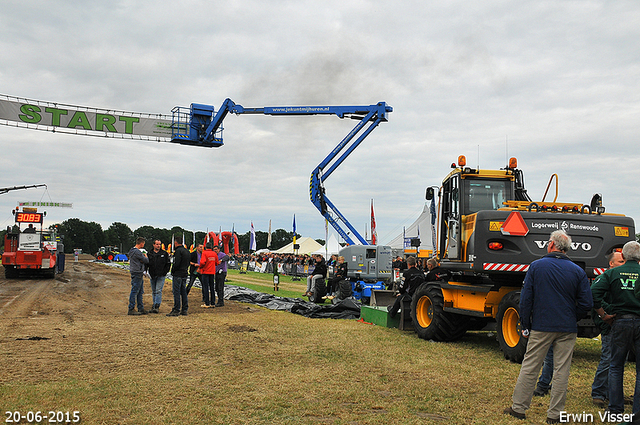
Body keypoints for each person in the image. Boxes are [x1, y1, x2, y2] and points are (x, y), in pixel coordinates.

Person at [504, 230, 593, 424]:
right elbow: (586, 303)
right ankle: (555, 414)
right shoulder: (578, 270)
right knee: (562, 370)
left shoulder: (536, 266)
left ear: (552, 244)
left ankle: (518, 408)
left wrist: (525, 324)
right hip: (567, 327)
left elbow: (526, 300)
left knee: (531, 366)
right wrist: (572, 317)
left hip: (541, 325)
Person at [591, 240, 640, 419]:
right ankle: (637, 412)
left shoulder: (613, 273)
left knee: (616, 365)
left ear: (625, 256)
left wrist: (603, 314)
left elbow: (593, 293)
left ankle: (615, 409)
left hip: (620, 322)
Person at [591, 251, 625, 407]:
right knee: (608, 359)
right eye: (620, 262)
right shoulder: (603, 279)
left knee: (619, 362)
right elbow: (595, 299)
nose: (624, 265)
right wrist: (609, 314)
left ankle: (614, 394)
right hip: (610, 325)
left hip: (623, 325)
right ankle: (598, 393)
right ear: (611, 264)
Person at [167, 236, 190, 316]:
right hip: (184, 273)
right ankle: (184, 309)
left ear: (176, 243)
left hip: (178, 274)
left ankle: (176, 309)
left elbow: (177, 263)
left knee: (176, 292)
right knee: (183, 291)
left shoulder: (178, 251)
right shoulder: (187, 251)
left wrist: (173, 271)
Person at [147, 239, 171, 314]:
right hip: (152, 275)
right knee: (154, 291)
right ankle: (154, 305)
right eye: (157, 244)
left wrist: (165, 272)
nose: (158, 246)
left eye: (159, 244)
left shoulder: (164, 254)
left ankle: (157, 306)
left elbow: (168, 264)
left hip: (161, 275)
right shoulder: (149, 254)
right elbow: (147, 263)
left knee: (158, 290)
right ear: (153, 245)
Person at [127, 237, 149, 315]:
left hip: (134, 271)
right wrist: (145, 256)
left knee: (139, 291)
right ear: (141, 243)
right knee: (135, 290)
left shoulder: (131, 251)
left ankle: (140, 308)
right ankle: (131, 308)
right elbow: (146, 261)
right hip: (138, 272)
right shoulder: (137, 252)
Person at [199, 243, 219, 308]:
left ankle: (207, 303)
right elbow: (217, 263)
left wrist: (200, 267)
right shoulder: (214, 253)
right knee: (212, 287)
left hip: (205, 272)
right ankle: (213, 303)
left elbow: (202, 262)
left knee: (205, 287)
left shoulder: (204, 253)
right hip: (212, 272)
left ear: (205, 247)